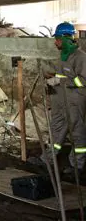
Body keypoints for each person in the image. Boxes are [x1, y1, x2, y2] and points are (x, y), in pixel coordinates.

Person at [35, 22, 86, 175]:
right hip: (60, 100)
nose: (55, 42)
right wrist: (52, 78)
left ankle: (77, 165)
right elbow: (64, 75)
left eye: (57, 38)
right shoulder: (63, 57)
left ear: (65, 38)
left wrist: (60, 81)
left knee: (77, 133)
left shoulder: (81, 58)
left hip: (75, 102)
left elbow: (83, 80)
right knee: (56, 130)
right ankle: (48, 159)